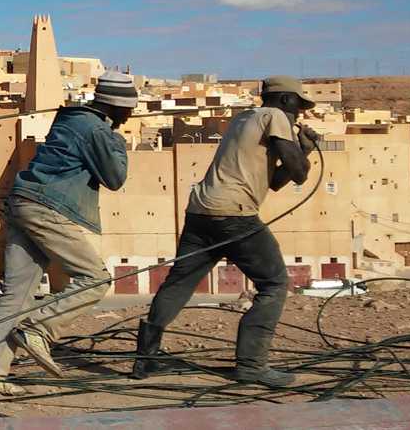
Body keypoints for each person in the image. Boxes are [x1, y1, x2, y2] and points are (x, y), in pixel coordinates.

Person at [131, 75, 319, 387]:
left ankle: (146, 360)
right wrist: (304, 149)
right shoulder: (276, 117)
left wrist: (303, 149)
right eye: (298, 107)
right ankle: (252, 365)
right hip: (235, 215)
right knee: (274, 283)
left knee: (179, 282)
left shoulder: (244, 118)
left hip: (200, 212)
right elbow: (298, 173)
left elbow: (275, 181)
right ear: (286, 100)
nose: (299, 114)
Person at [0, 72, 137, 396]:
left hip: (22, 201)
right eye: (129, 110)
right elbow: (115, 177)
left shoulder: (72, 120)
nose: (130, 116)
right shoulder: (97, 130)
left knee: (17, 295)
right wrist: (117, 138)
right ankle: (38, 329)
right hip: (47, 208)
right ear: (118, 106)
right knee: (95, 278)